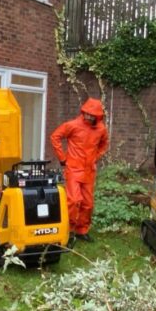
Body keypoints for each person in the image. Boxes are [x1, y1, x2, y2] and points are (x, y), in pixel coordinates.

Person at [50, 97, 109, 241]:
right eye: (86, 113)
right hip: (74, 169)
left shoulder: (101, 129)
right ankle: (68, 230)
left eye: (91, 114)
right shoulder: (73, 125)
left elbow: (104, 144)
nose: (88, 116)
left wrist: (96, 157)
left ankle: (82, 230)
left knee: (88, 204)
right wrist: (63, 158)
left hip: (89, 170)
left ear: (98, 116)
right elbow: (55, 136)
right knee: (74, 200)